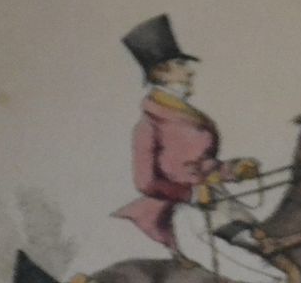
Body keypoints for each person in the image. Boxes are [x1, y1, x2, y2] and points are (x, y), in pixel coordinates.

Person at [112, 13, 261, 259]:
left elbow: (204, 164)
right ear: (161, 73)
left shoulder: (190, 114)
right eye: (181, 65)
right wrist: (190, 194)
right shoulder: (147, 126)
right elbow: (145, 182)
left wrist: (233, 170)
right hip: (178, 211)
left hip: (214, 199)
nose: (190, 72)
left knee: (263, 239)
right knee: (247, 262)